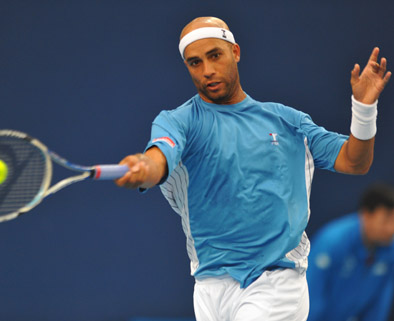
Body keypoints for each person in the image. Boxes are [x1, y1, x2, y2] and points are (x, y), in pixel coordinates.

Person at [115, 16, 391, 321]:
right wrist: (143, 166)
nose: (207, 70)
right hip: (209, 286)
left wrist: (364, 110)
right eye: (194, 63)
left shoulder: (288, 121)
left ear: (235, 52)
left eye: (215, 56)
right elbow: (159, 158)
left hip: (275, 281)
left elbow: (354, 161)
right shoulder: (178, 121)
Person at [307, 183, 394, 321]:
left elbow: (379, 305)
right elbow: (311, 297)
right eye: (385, 220)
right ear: (366, 214)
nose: (391, 229)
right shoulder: (332, 242)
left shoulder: (390, 250)